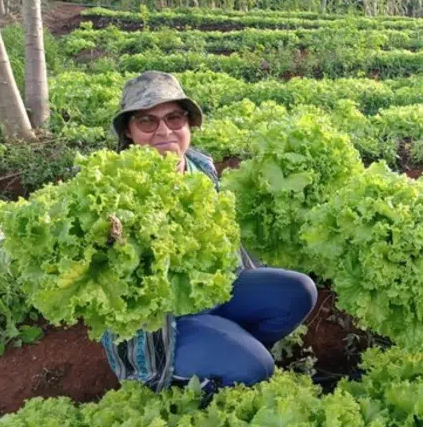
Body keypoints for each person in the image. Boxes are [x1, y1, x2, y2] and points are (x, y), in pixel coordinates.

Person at [102, 71, 318, 391]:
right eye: (147, 121)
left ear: (188, 124)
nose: (164, 131)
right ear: (129, 132)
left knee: (299, 290)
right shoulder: (110, 189)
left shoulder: (200, 167)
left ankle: (226, 348)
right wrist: (109, 245)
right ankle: (192, 378)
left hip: (212, 292)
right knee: (257, 367)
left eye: (174, 118)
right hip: (161, 325)